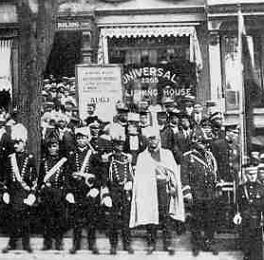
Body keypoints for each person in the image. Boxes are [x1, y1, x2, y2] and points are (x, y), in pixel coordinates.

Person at [130, 127, 185, 255]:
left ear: (159, 140)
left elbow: (173, 172)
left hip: (163, 188)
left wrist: (173, 185)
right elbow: (140, 176)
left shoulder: (167, 154)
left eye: (155, 138)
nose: (153, 141)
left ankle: (168, 244)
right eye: (150, 139)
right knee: (150, 216)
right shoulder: (143, 156)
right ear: (147, 141)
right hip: (149, 188)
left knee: (165, 216)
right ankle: (151, 244)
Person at [2, 124, 38, 253]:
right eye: (15, 143)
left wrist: (32, 194)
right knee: (13, 220)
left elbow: (34, 178)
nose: (16, 145)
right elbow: (6, 177)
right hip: (13, 193)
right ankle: (12, 243)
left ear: (24, 143)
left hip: (25, 193)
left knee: (25, 221)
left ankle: (26, 244)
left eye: (18, 143)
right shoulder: (10, 158)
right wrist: (5, 191)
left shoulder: (30, 158)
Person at [181, 136, 219, 256]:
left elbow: (214, 172)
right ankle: (196, 245)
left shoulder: (209, 156)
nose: (203, 144)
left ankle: (209, 243)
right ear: (194, 142)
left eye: (204, 142)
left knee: (210, 219)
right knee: (196, 220)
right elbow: (184, 176)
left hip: (210, 193)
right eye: (200, 142)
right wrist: (187, 192)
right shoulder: (188, 156)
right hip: (196, 193)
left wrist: (217, 185)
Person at [69, 127, 102, 254]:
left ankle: (92, 244)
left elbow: (100, 174)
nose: (80, 140)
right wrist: (69, 192)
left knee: (91, 219)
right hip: (77, 191)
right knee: (76, 220)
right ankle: (75, 244)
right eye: (78, 138)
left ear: (88, 139)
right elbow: (68, 175)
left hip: (90, 192)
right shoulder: (72, 155)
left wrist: (95, 188)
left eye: (83, 137)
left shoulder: (94, 155)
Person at [38, 136, 71, 251]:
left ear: (58, 147)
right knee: (47, 218)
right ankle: (47, 242)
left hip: (58, 193)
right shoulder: (44, 161)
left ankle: (58, 241)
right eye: (50, 147)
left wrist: (64, 191)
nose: (52, 149)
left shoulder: (63, 162)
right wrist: (41, 188)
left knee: (59, 219)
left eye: (54, 146)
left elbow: (66, 179)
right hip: (47, 193)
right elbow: (41, 178)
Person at [107, 133, 134, 255]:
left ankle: (127, 244)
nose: (119, 147)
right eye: (117, 144)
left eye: (121, 144)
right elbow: (106, 176)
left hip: (125, 191)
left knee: (126, 219)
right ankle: (113, 245)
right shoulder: (109, 159)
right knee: (113, 220)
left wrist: (129, 182)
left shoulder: (127, 158)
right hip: (114, 191)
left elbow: (130, 174)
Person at [233, 165, 264, 260]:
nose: (252, 176)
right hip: (245, 222)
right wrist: (237, 214)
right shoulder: (241, 188)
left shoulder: (261, 188)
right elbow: (237, 204)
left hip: (258, 222)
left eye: (254, 174)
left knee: (258, 248)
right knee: (246, 247)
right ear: (246, 175)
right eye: (250, 174)